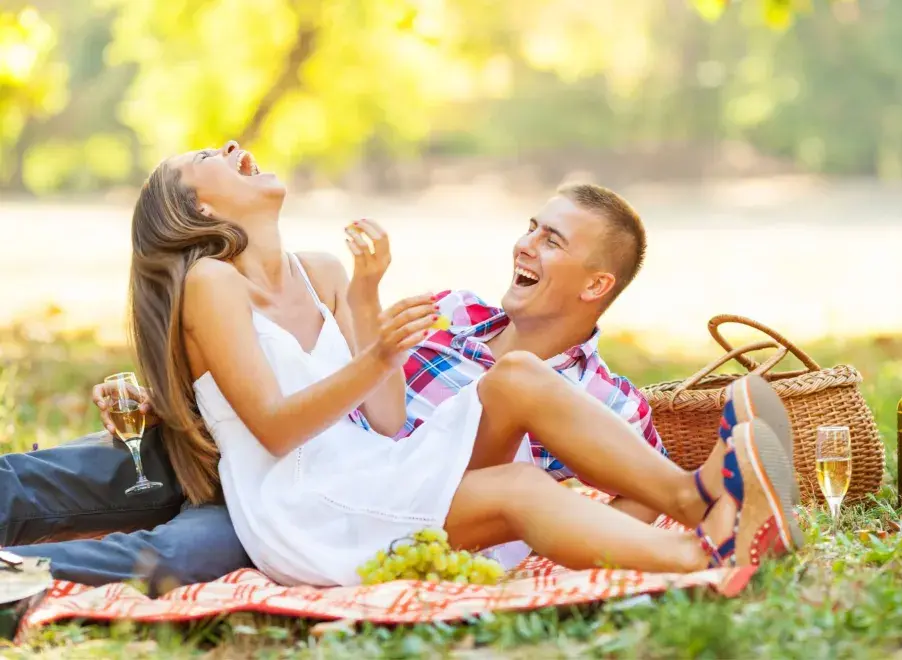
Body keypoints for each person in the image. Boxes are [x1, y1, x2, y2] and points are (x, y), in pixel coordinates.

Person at [1, 143, 800, 588]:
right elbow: (278, 432)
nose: (238, 146)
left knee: (518, 383)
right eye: (212, 155)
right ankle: (706, 543)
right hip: (304, 502)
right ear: (201, 210)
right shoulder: (210, 283)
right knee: (521, 481)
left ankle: (702, 516)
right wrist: (379, 347)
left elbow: (383, 419)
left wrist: (366, 298)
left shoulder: (320, 270)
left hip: (372, 465)